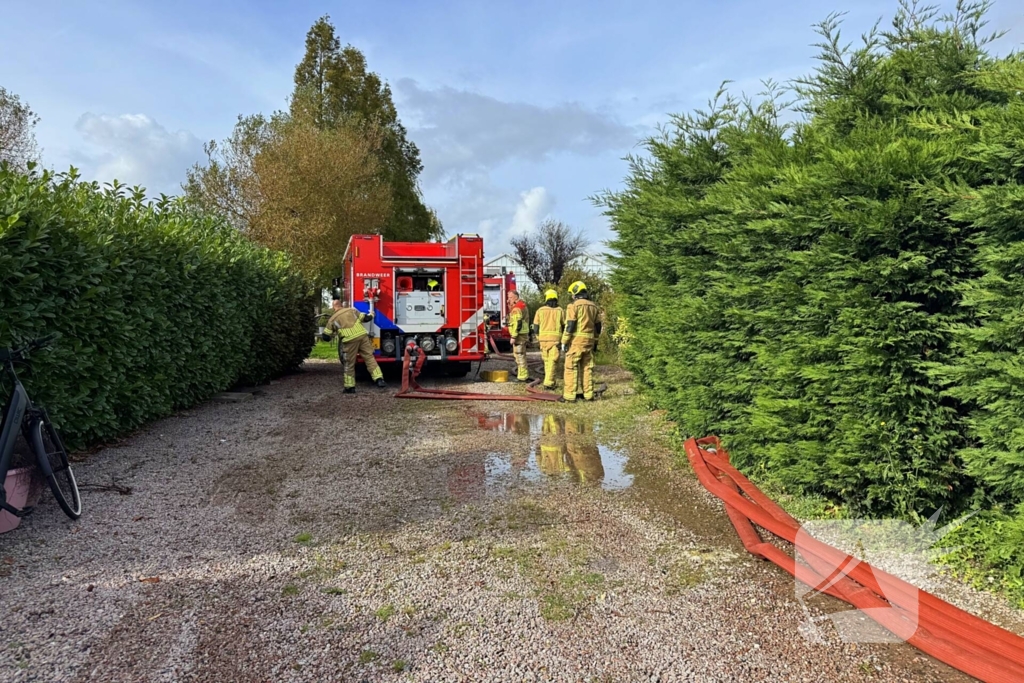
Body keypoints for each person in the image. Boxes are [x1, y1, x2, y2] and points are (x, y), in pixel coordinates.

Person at [321, 298, 387, 393]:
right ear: (341, 305)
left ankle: (350, 387)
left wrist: (333, 333)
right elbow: (365, 318)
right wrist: (372, 314)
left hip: (349, 341)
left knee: (349, 364)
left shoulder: (332, 319)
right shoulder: (351, 310)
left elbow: (326, 337)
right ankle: (379, 379)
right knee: (369, 358)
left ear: (333, 307)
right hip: (362, 336)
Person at [559, 281, 604, 402]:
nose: (572, 296)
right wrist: (595, 341)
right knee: (587, 368)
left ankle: (569, 396)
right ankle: (588, 395)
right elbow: (598, 327)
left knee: (571, 367)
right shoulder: (594, 306)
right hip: (589, 341)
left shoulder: (573, 306)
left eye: (572, 294)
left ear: (575, 293)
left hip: (576, 342)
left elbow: (570, 325)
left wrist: (564, 341)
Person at [531, 289, 565, 390]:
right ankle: (549, 383)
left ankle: (550, 381)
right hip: (555, 341)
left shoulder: (540, 311)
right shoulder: (560, 310)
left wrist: (539, 338)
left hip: (543, 341)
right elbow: (564, 325)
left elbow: (535, 327)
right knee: (553, 362)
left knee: (546, 362)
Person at [506, 290, 530, 382]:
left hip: (519, 336)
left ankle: (523, 377)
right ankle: (521, 375)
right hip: (522, 334)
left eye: (510, 298)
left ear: (515, 297)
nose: (508, 300)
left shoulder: (517, 308)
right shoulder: (521, 305)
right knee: (520, 355)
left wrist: (513, 336)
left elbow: (517, 323)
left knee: (519, 356)